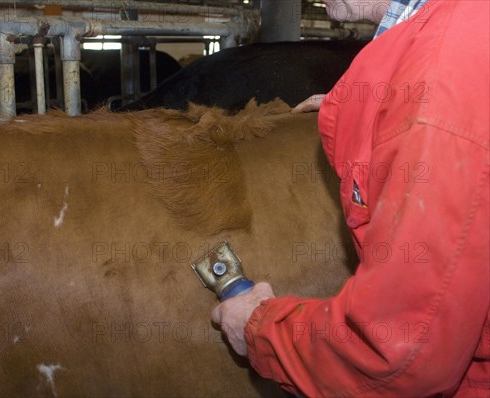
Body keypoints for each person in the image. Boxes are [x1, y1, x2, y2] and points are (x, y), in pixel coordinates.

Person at [210, 0, 490, 396]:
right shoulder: (464, 31)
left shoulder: (444, 68)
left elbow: (400, 355)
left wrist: (259, 328)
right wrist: (384, 105)